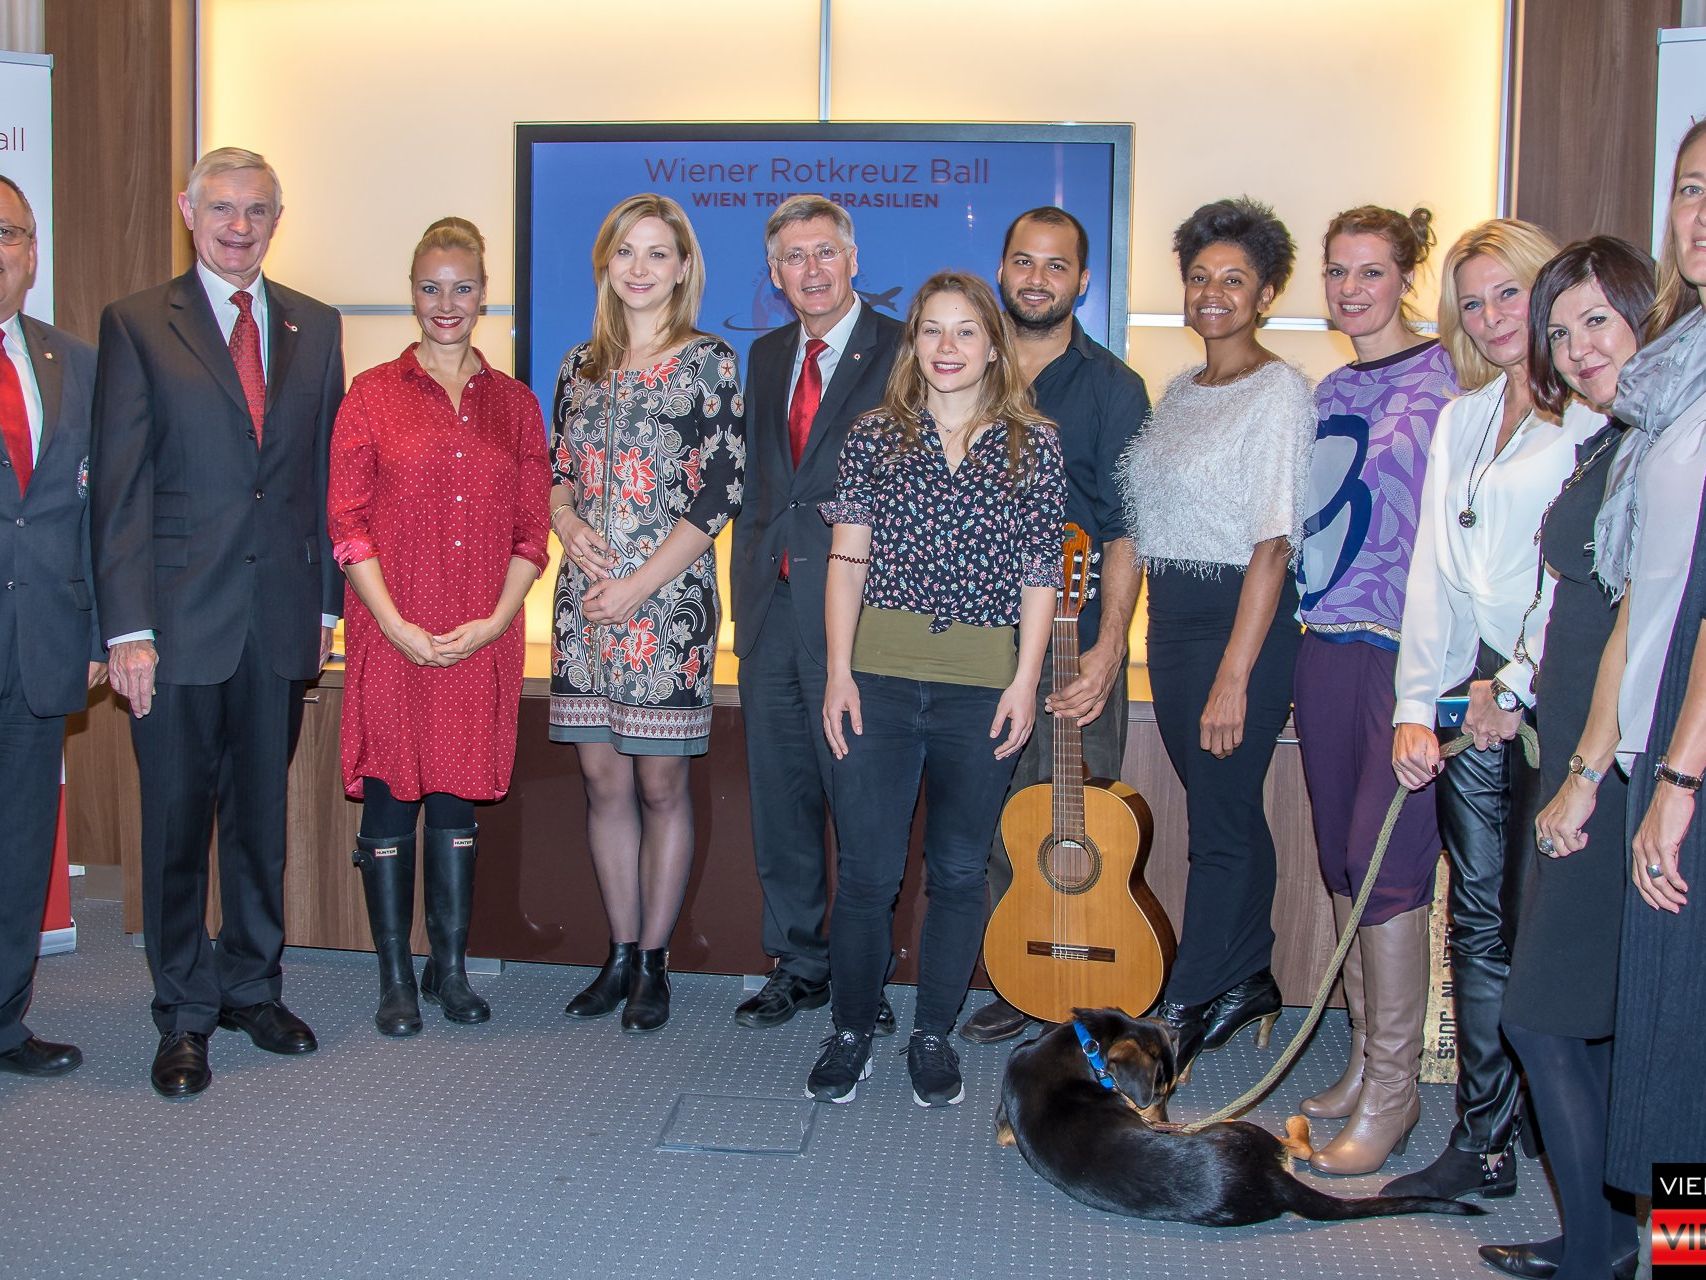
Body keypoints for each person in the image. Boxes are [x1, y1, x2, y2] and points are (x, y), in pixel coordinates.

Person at [90, 147, 345, 1099]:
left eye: (258, 211)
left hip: (278, 619)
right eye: (223, 209)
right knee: (175, 826)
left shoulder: (314, 326)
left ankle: (252, 984)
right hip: (175, 629)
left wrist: (325, 605)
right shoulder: (136, 325)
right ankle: (183, 1014)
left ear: (279, 218)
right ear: (189, 213)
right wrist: (127, 630)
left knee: (259, 821)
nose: (240, 226)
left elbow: (319, 477)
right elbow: (117, 492)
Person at [811, 270, 1064, 1107]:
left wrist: (1026, 683)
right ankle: (851, 1027)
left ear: (993, 341)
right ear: (910, 341)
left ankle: (932, 1034)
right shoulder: (874, 436)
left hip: (980, 690)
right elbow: (846, 563)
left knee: (958, 873)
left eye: (965, 331)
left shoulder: (1035, 443)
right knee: (869, 875)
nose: (947, 348)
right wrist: (838, 671)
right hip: (876, 682)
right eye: (931, 330)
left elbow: (1039, 574)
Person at [1387, 218, 1600, 1199]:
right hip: (1463, 686)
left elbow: (1575, 573)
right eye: (1469, 301)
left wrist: (1512, 681)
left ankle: (1573, 1150)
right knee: (1472, 918)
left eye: (1505, 292)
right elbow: (1433, 568)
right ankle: (1481, 1142)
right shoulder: (1462, 415)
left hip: (1554, 691)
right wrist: (1411, 703)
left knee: (1536, 921)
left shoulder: (1597, 415)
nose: (1488, 315)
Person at [1533, 118, 1706, 1259]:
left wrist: (1681, 773)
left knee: (1682, 1061)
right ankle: (1675, 1251)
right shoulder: (1673, 385)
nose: (1700, 211)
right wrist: (1605, 767)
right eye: (1690, 188)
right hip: (1650, 755)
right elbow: (1647, 603)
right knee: (1666, 1064)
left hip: (1687, 765)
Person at [327, 218, 550, 1036]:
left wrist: (496, 622)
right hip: (391, 635)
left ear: (484, 295)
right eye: (431, 287)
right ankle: (395, 980)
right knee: (391, 804)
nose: (445, 303)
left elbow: (532, 530)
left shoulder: (516, 406)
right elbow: (346, 523)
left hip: (478, 636)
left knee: (455, 806)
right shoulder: (371, 397)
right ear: (412, 293)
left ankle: (449, 969)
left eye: (462, 287)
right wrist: (393, 624)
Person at [1480, 238, 1654, 1280]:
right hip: (1594, 762)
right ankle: (1618, 1236)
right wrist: (1510, 685)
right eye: (1559, 330)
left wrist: (1590, 772)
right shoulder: (1612, 442)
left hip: (1634, 773)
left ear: (1643, 310)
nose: (1576, 345)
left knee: (1551, 1017)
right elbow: (1576, 609)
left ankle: (1614, 1247)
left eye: (1596, 318)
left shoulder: (1673, 437)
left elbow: (1657, 617)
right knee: (1613, 1032)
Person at [1121, 197, 1315, 1073]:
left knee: (1220, 828)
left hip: (1241, 622)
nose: (1212, 293)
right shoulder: (1178, 391)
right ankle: (1248, 977)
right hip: (1175, 621)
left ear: (1265, 293)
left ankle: (1187, 1002)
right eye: (1200, 277)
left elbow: (1274, 541)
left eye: (1233, 280)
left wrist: (1237, 676)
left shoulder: (1280, 391)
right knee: (1223, 808)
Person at [549, 194, 744, 1033]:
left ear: (683, 268)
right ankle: (619, 951)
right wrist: (565, 520)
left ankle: (656, 959)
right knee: (601, 780)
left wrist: (638, 585)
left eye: (657, 253)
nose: (640, 267)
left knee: (661, 782)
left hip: (667, 610)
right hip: (582, 606)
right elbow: (557, 471)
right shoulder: (576, 366)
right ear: (606, 263)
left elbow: (718, 494)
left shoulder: (710, 363)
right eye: (626, 251)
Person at [959, 205, 1152, 1046]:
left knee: (1070, 807)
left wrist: (1112, 647)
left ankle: (1086, 971)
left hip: (1072, 637)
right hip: (966, 637)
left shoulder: (1114, 388)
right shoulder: (959, 365)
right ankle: (1017, 969)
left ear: (1082, 280)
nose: (1037, 278)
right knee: (987, 810)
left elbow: (1125, 528)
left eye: (1056, 266)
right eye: (1023, 261)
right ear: (1001, 268)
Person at [1293, 205, 1458, 1175]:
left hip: (1408, 654)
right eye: (1337, 272)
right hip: (1327, 643)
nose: (1351, 289)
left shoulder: (1449, 376)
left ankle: (1392, 1092)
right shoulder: (1330, 385)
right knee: (1341, 860)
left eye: (1369, 271)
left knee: (1387, 860)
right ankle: (1361, 1062)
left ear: (1404, 276)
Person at [730, 195, 902, 1031]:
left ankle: (865, 976)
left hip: (861, 620)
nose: (811, 270)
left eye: (825, 252)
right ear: (774, 274)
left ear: (854, 258)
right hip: (771, 610)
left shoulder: (907, 352)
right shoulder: (763, 358)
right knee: (783, 800)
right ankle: (797, 964)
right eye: (793, 258)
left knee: (861, 801)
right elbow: (762, 490)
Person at [0, 175, 102, 1080]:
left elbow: (95, 510)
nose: (3, 251)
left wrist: (107, 632)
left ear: (34, 253)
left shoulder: (72, 360)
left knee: (22, 841)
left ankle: (3, 1021)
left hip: (41, 642)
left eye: (13, 235)